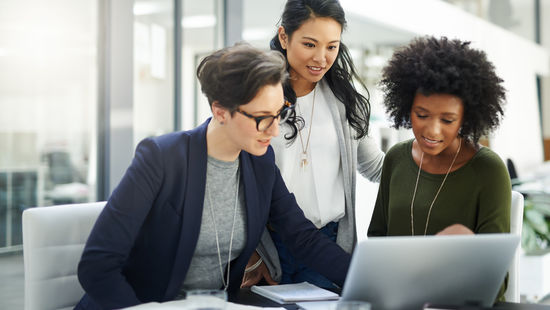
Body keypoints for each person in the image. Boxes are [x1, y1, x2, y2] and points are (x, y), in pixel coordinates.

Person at [75, 43, 351, 310]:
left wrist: (363, 278)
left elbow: (301, 237)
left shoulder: (260, 162)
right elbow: (97, 265)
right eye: (262, 118)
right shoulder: (161, 158)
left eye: (279, 114)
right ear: (220, 111)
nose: (274, 130)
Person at [241, 0, 384, 289]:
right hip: (269, 249)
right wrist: (252, 252)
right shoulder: (256, 98)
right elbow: (236, 181)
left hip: (328, 246)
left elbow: (376, 167)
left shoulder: (345, 101)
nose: (321, 57)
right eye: (309, 44)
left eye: (332, 47)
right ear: (284, 37)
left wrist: (437, 156)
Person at [367, 36, 511, 301]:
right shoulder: (396, 158)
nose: (432, 130)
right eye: (421, 115)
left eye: (448, 119)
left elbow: (496, 279)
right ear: (406, 107)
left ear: (466, 118)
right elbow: (377, 240)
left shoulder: (488, 171)